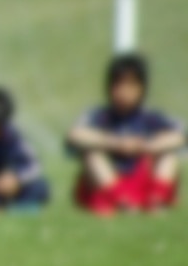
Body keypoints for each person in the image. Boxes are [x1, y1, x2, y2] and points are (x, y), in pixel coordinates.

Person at [66, 53, 181, 214]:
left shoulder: (151, 118)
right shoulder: (100, 117)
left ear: (142, 88)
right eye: (118, 85)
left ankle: (157, 199)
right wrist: (115, 143)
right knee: (92, 155)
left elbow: (179, 136)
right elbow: (75, 134)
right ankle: (121, 201)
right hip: (110, 182)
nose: (124, 92)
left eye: (131, 85)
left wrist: (145, 146)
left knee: (168, 155)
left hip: (142, 181)